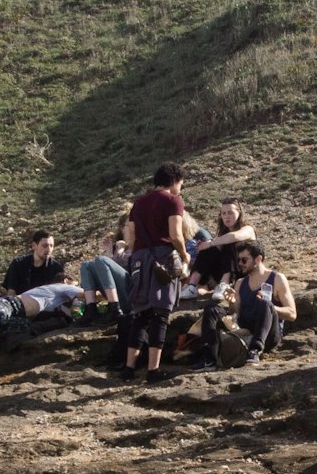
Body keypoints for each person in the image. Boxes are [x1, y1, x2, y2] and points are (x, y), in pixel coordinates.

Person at [121, 162, 191, 383]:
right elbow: (175, 234)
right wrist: (184, 255)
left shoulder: (138, 204)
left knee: (141, 316)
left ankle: (128, 368)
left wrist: (139, 256)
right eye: (181, 184)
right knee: (160, 315)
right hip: (162, 258)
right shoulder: (173, 200)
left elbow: (130, 238)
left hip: (140, 260)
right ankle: (153, 370)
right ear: (175, 181)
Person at [196, 239, 296, 368]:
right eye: (238, 260)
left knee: (265, 304)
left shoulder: (277, 279)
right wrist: (232, 303)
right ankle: (209, 356)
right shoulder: (240, 283)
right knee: (212, 310)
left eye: (244, 260)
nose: (240, 264)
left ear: (258, 259)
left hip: (269, 334)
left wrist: (270, 306)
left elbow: (292, 314)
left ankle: (255, 350)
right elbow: (235, 313)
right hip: (245, 329)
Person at [180, 198, 257, 301]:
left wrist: (211, 242)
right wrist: (207, 245)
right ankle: (192, 285)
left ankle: (224, 284)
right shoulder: (223, 233)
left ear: (239, 212)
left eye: (230, 213)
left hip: (243, 271)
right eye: (224, 213)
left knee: (229, 244)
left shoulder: (248, 229)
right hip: (224, 271)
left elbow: (234, 236)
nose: (226, 217)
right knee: (209, 248)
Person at [78, 213, 132, 326]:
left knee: (100, 260)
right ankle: (91, 308)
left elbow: (126, 264)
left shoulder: (137, 244)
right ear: (122, 228)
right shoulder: (119, 247)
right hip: (119, 290)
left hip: (131, 293)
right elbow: (109, 271)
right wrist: (110, 251)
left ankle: (115, 308)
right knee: (86, 265)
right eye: (128, 224)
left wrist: (119, 251)